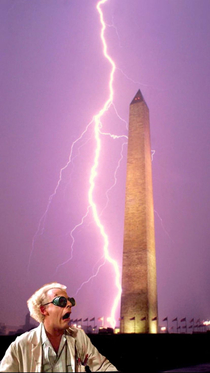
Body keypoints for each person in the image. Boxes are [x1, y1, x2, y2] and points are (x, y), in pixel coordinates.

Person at [0, 282, 118, 372]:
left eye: (70, 300)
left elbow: (102, 366)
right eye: (61, 301)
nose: (70, 304)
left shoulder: (78, 337)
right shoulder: (21, 345)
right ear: (43, 309)